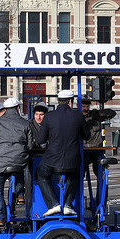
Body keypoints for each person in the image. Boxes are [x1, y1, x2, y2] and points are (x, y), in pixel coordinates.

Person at [36, 89, 90, 217]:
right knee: (75, 175)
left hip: (52, 158)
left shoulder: (49, 116)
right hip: (72, 158)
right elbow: (86, 136)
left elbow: (40, 140)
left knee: (41, 175)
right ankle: (67, 204)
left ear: (58, 101)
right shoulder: (78, 116)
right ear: (70, 102)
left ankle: (53, 204)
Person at [0, 97, 32, 231]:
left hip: (2, 161)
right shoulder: (25, 123)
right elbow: (29, 145)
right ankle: (20, 194)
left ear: (5, 109)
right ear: (18, 108)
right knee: (19, 169)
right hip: (19, 160)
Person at [82, 97, 117, 177]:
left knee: (100, 170)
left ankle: (102, 187)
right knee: (81, 170)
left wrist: (98, 113)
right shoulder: (76, 117)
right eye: (83, 107)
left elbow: (112, 113)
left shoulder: (95, 116)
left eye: (87, 107)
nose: (85, 109)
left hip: (96, 148)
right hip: (83, 149)